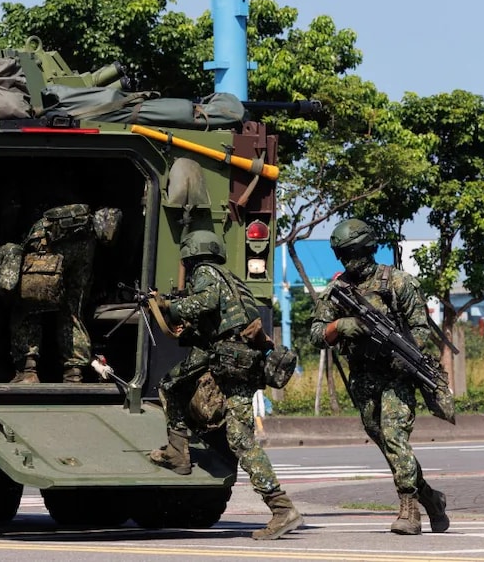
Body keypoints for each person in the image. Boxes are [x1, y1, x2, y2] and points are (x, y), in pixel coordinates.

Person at [148, 229, 303, 541]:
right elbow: (217, 321)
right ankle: (279, 507)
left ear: (191, 255)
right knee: (229, 428)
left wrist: (169, 307)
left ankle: (281, 508)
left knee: (175, 389)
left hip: (228, 358)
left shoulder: (205, 273)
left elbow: (204, 304)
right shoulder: (230, 278)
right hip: (240, 359)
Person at [308, 218, 450, 535]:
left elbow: (420, 330)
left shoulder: (399, 283)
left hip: (397, 377)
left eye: (352, 253)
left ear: (368, 249)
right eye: (342, 255)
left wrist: (403, 357)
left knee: (396, 437)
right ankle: (432, 499)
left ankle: (409, 512)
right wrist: (339, 327)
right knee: (388, 445)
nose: (347, 261)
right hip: (364, 380)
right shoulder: (336, 291)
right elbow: (316, 335)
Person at [0, 203, 121, 383]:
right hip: (84, 241)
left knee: (30, 304)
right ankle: (74, 373)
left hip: (49, 241)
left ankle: (28, 371)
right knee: (73, 311)